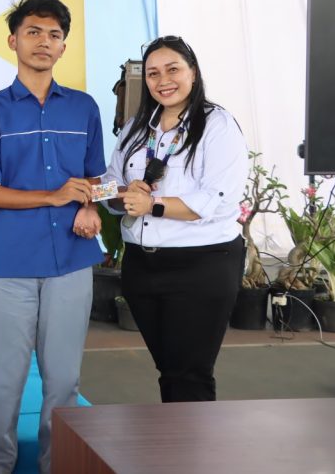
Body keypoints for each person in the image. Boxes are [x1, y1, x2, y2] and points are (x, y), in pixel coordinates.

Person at [0, 0, 104, 474]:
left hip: (72, 261)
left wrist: (89, 206)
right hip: (9, 264)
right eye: (33, 32)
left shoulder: (84, 108)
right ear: (13, 41)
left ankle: (56, 464)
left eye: (54, 35)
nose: (44, 42)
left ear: (63, 46)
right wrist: (53, 196)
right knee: (3, 382)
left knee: (64, 382)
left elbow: (94, 179)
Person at [107, 35, 247, 403]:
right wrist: (105, 192)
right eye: (153, 73)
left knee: (190, 373)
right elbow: (112, 182)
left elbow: (216, 200)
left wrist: (152, 204)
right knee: (170, 369)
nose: (163, 80)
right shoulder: (136, 127)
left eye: (173, 70)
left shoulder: (217, 125)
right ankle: (176, 436)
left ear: (193, 72)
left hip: (202, 265)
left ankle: (193, 440)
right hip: (142, 266)